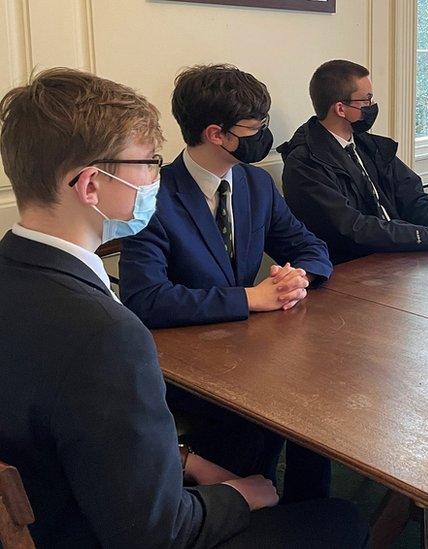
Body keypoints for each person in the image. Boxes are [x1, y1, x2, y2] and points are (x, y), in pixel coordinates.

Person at [0, 67, 366, 547]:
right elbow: (154, 531)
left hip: (73, 493)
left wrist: (187, 459)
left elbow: (79, 432)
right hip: (93, 529)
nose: (156, 175)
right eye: (147, 163)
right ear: (91, 186)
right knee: (343, 519)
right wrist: (238, 495)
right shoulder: (108, 334)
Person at [119, 64, 334, 506]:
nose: (265, 134)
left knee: (323, 389)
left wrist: (300, 276)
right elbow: (144, 300)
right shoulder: (153, 198)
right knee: (287, 406)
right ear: (216, 134)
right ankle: (250, 507)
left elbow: (308, 244)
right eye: (256, 128)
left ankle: (307, 511)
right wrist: (250, 297)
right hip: (191, 369)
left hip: (252, 348)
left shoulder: (256, 182)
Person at [277, 59, 428, 264]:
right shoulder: (305, 163)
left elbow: (413, 198)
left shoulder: (369, 145)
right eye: (366, 100)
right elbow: (354, 228)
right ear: (341, 109)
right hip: (352, 269)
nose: (372, 106)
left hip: (401, 256)